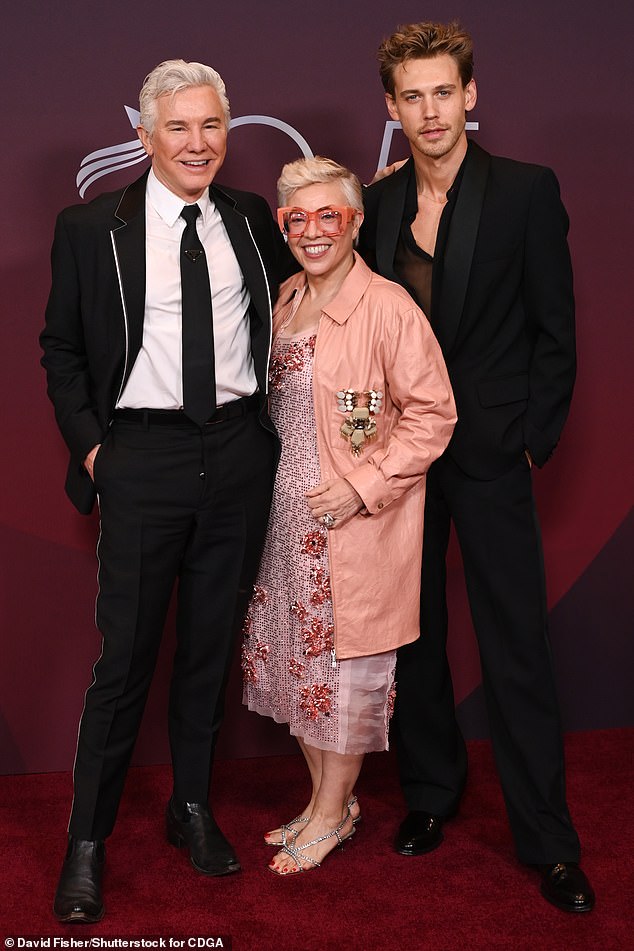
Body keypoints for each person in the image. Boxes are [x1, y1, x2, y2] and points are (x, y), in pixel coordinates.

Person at [40, 59, 293, 922]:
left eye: (212, 125)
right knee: (127, 660)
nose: (197, 143)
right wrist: (96, 453)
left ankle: (191, 807)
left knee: (208, 652)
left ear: (229, 131)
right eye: (178, 126)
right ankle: (87, 841)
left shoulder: (253, 220)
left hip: (235, 455)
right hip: (139, 458)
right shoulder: (89, 229)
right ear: (144, 133)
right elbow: (62, 352)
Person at [358, 21, 595, 912]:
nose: (429, 110)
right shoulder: (378, 208)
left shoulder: (528, 191)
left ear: (471, 95)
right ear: (391, 107)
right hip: (404, 462)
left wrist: (531, 435)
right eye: (411, 96)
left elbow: (556, 327)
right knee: (413, 637)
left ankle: (549, 839)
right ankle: (430, 795)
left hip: (491, 450)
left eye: (442, 92)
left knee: (516, 643)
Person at [242, 155, 456, 874]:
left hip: (354, 523)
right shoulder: (284, 296)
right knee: (302, 668)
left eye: (328, 215)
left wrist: (363, 484)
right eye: (295, 218)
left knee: (342, 674)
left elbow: (433, 414)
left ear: (356, 221)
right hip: (284, 518)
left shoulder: (389, 305)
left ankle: (333, 814)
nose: (312, 230)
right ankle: (325, 799)